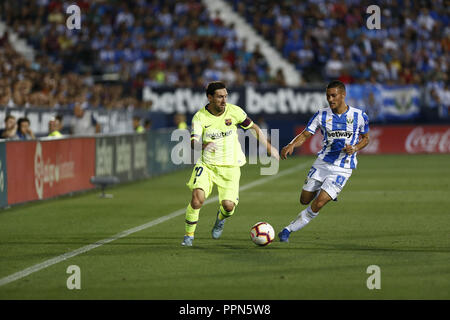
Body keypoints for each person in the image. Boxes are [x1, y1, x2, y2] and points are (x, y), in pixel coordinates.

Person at [182, 81, 279, 246]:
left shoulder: (234, 112)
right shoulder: (200, 117)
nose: (224, 100)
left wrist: (270, 147)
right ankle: (188, 236)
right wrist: (204, 145)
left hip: (231, 166)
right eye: (220, 97)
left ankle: (220, 219)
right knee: (197, 199)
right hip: (207, 166)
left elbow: (254, 128)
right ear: (210, 97)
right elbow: (193, 142)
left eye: (225, 96)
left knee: (228, 206)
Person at [278, 80, 370, 242]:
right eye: (328, 96)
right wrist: (292, 145)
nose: (330, 99)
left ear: (343, 95)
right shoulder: (322, 115)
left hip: (343, 167)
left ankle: (287, 230)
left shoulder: (359, 115)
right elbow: (306, 134)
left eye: (334, 95)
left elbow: (366, 139)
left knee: (318, 203)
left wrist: (355, 148)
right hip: (322, 163)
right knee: (304, 200)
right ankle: (328, 192)